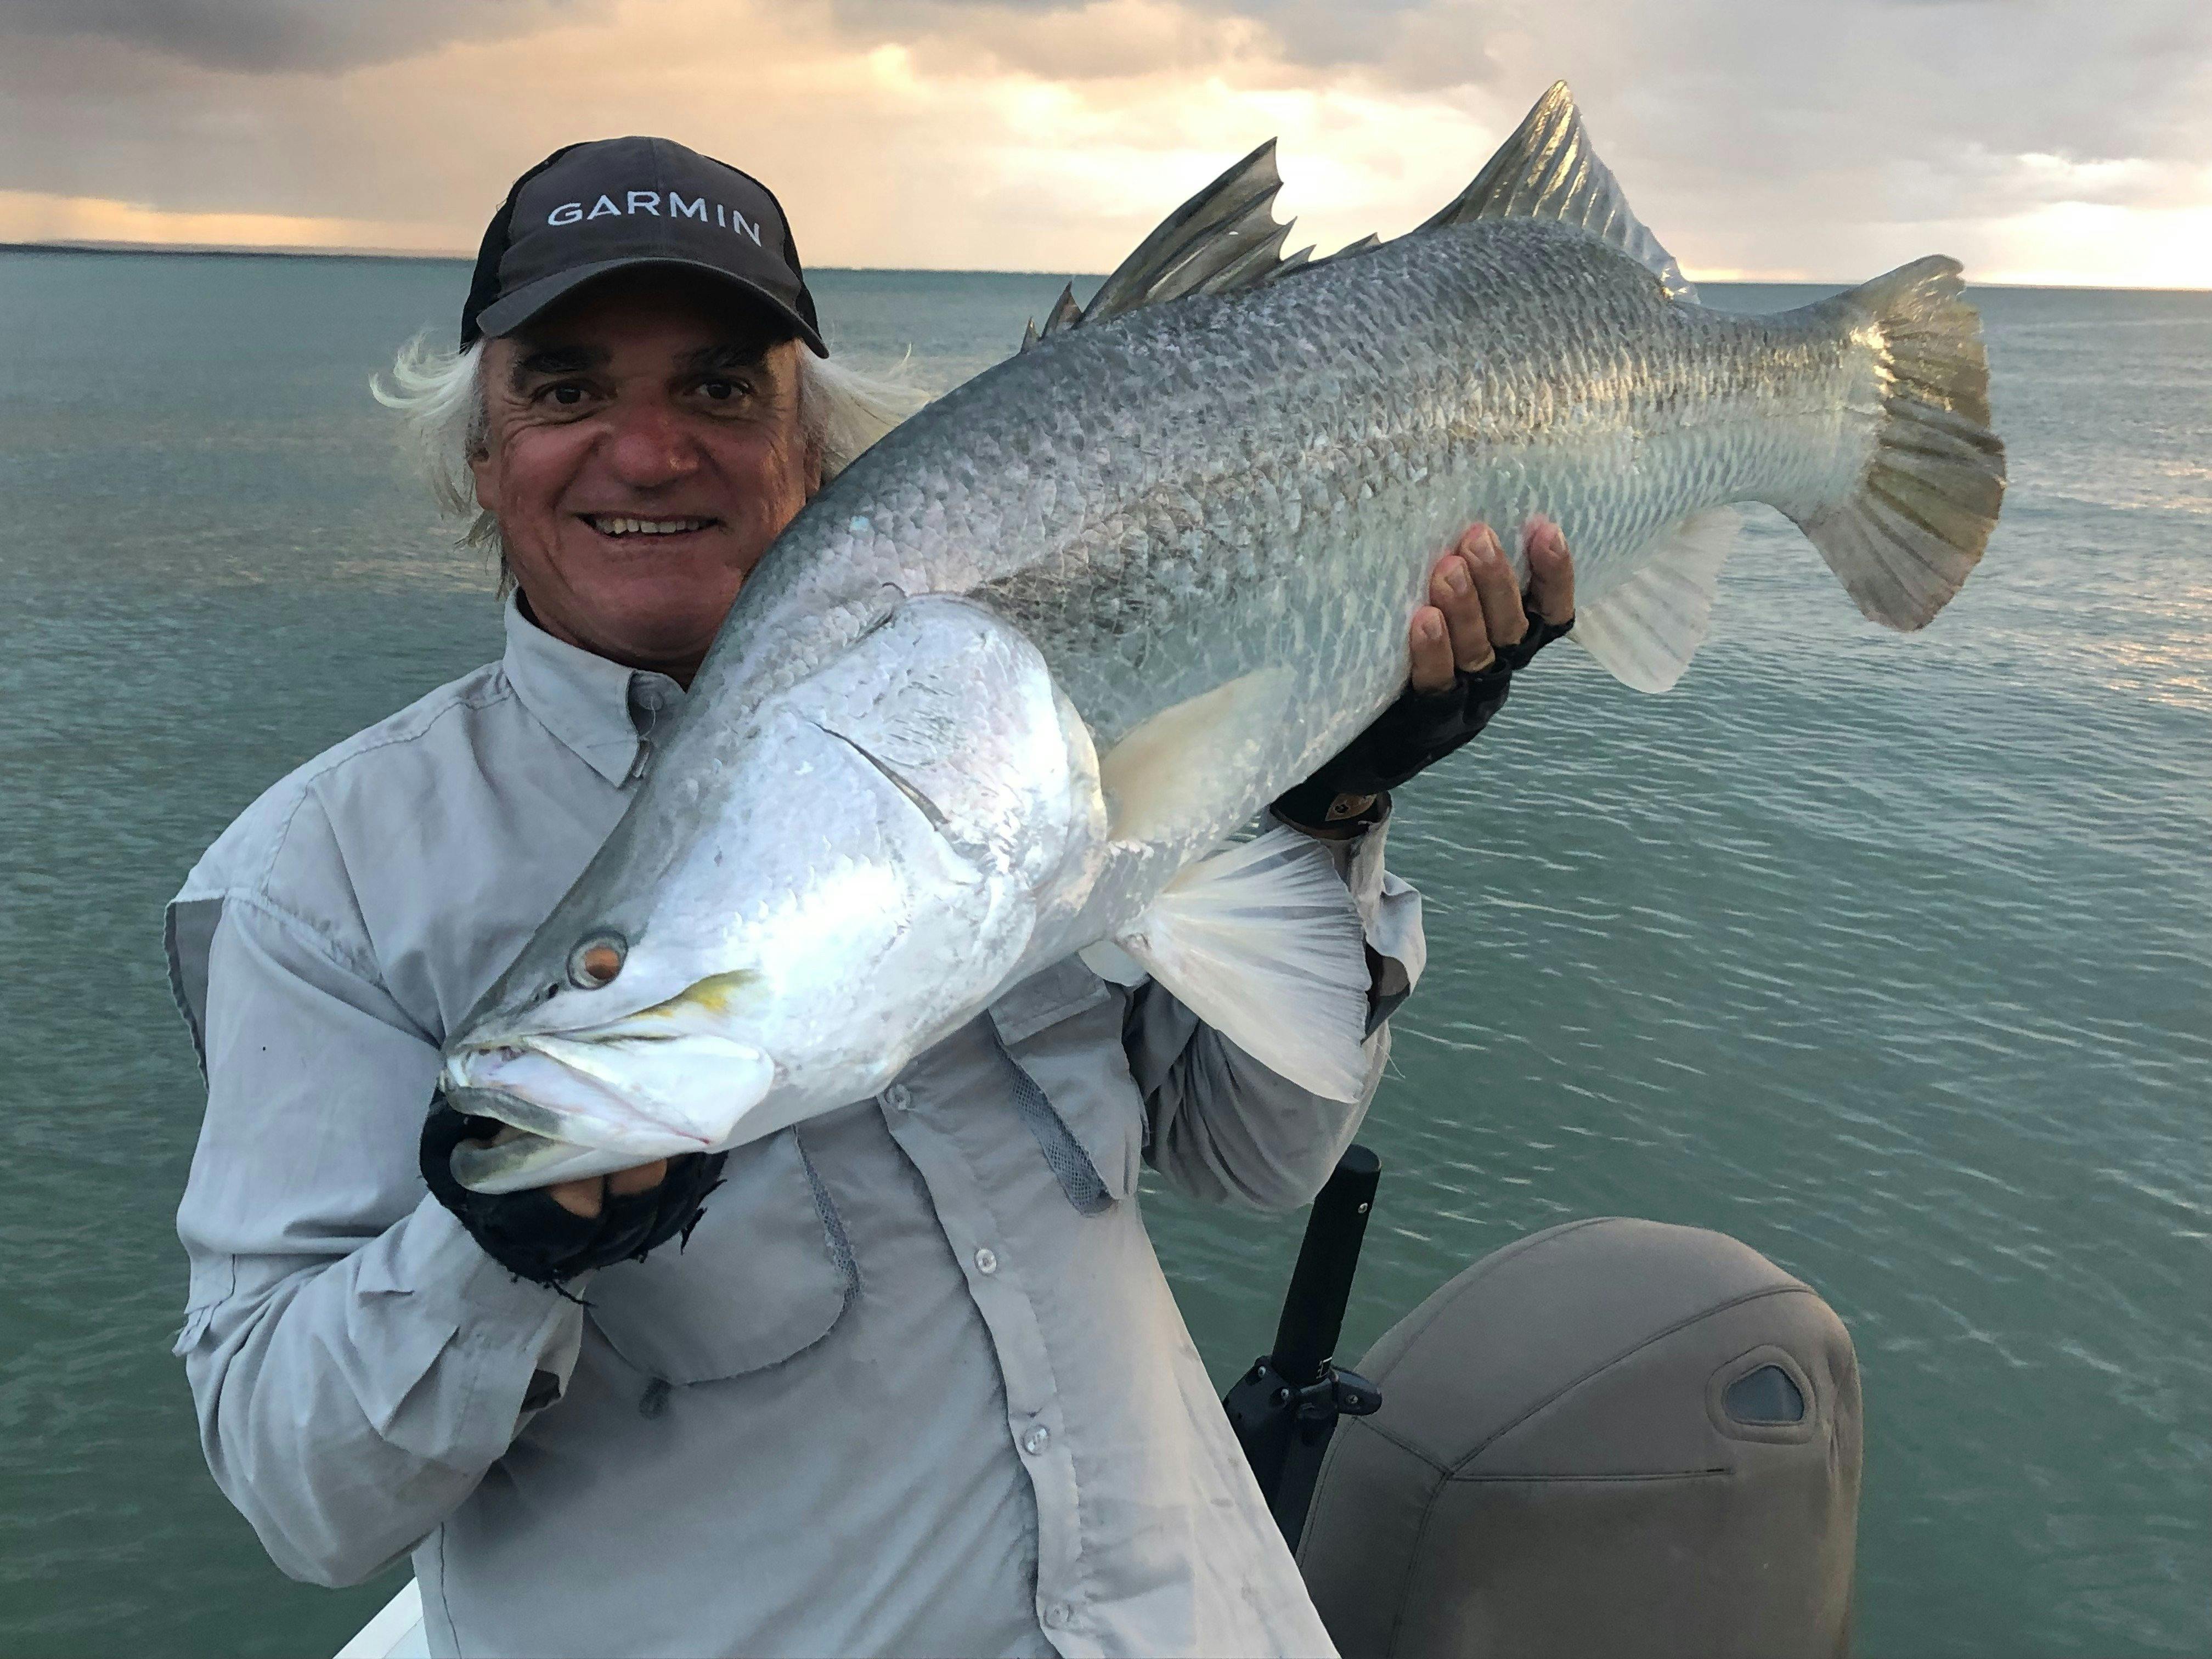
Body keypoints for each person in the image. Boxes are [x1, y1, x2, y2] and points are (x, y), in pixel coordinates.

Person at [166, 137, 1576, 1659]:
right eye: (568, 390)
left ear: (816, 453)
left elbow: (1253, 1155)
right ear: (479, 456)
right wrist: (496, 1246)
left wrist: (1332, 802)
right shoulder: (325, 879)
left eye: (720, 389)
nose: (648, 453)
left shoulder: (998, 706)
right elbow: (297, 1495)